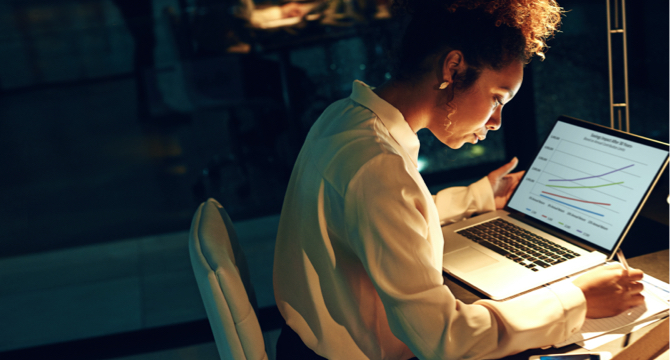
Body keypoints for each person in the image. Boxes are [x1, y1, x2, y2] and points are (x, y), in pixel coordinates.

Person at [272, 0, 646, 359]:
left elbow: (384, 215)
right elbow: (443, 339)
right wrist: (576, 300)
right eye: (498, 98)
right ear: (452, 69)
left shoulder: (346, 118)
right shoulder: (378, 167)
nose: (496, 122)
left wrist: (480, 197)